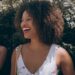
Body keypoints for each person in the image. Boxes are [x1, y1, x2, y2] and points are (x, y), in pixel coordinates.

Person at [10, 1, 75, 75]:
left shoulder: (60, 54)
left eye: (28, 19)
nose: (23, 24)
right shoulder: (17, 52)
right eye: (22, 20)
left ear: (43, 21)